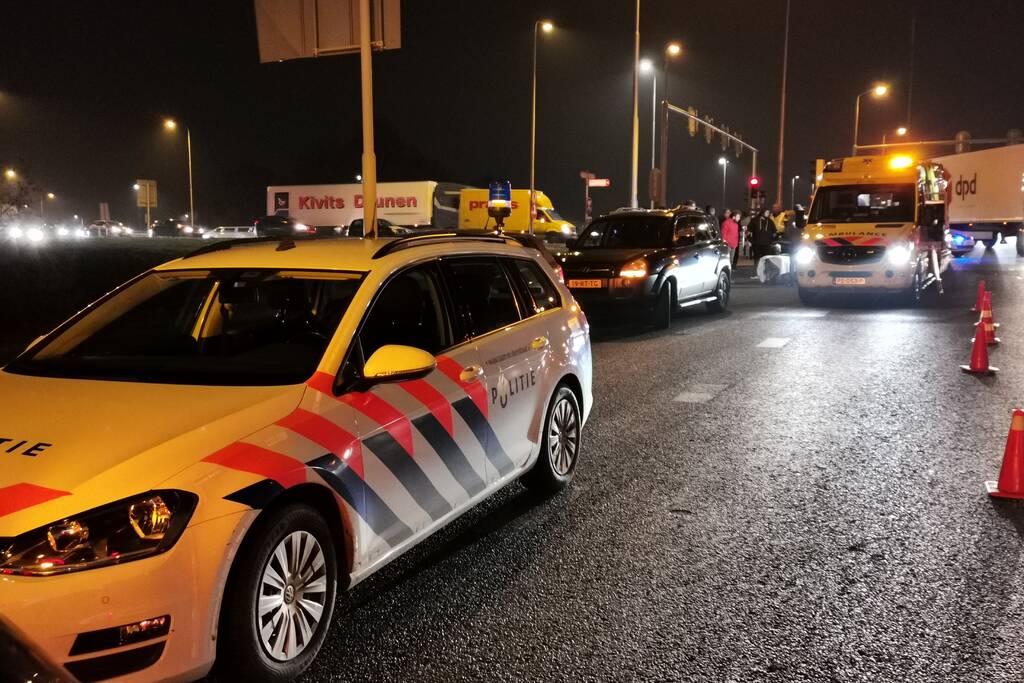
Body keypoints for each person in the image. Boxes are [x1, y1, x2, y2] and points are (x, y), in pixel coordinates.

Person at [783, 204, 806, 285]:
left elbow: (787, 232)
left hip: (793, 244)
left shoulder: (791, 219)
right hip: (803, 243)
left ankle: (792, 280)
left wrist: (791, 238)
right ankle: (802, 279)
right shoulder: (805, 218)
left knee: (792, 262)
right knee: (803, 262)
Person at [749, 208, 776, 276]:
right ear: (762, 212)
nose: (767, 214)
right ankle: (756, 273)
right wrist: (750, 240)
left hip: (767, 244)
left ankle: (767, 273)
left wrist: (772, 240)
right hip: (757, 243)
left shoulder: (770, 221)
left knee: (767, 259)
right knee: (757, 259)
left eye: (768, 212)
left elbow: (774, 231)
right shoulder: (755, 220)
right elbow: (749, 231)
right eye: (766, 212)